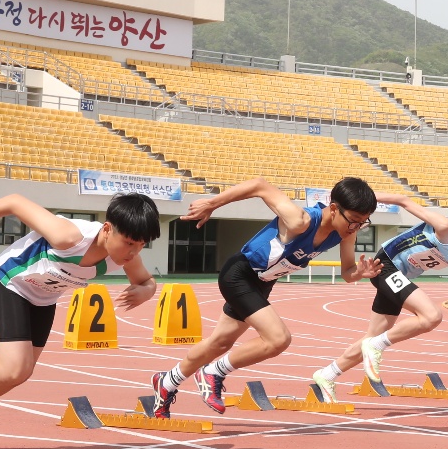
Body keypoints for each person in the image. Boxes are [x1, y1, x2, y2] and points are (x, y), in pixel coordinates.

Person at [0, 193, 161, 442]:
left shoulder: (125, 256)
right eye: (129, 243)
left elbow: (146, 281)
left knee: (20, 373)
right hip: (11, 280)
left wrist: (145, 291)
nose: (134, 252)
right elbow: (14, 202)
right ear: (107, 229)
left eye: (141, 245)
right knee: (12, 368)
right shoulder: (68, 236)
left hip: (44, 298)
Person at [151, 177, 381, 417]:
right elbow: (259, 185)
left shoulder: (345, 234)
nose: (356, 228)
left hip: (262, 284)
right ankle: (214, 372)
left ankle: (167, 382)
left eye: (363, 223)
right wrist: (212, 203)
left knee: (219, 343)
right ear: (333, 208)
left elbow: (347, 272)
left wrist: (359, 274)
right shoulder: (301, 220)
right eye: (354, 221)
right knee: (278, 338)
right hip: (239, 274)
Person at [311, 195, 448, 400]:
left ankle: (327, 375)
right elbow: (404, 200)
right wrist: (364, 197)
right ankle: (375, 346)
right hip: (385, 265)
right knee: (431, 315)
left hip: (398, 277)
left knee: (373, 337)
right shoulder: (447, 228)